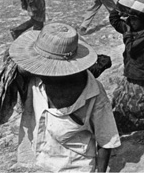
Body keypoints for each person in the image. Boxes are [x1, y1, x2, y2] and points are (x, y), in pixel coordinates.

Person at [10, 22, 120, 172]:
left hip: (75, 167)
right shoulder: (33, 81)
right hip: (41, 163)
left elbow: (106, 140)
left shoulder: (93, 93)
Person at [109, 0, 144, 143]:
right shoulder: (131, 29)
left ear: (142, 21)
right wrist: (118, 6)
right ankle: (129, 128)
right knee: (126, 103)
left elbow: (131, 49)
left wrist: (128, 32)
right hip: (132, 72)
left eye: (133, 19)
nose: (130, 21)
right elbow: (115, 21)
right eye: (130, 18)